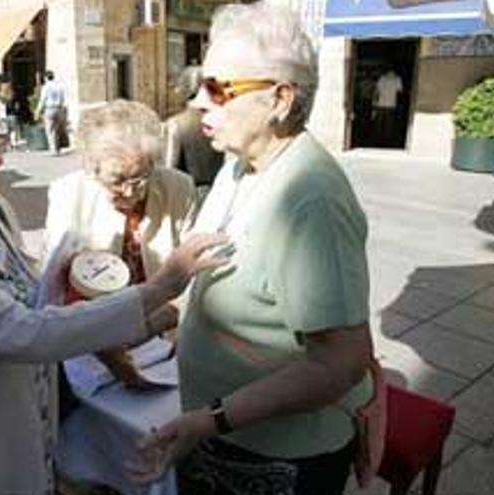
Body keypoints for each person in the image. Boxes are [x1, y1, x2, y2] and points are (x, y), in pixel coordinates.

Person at [0, 62, 227, 495]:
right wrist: (160, 288)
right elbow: (19, 331)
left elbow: (36, 302)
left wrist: (143, 324)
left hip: (22, 431)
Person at [130, 3, 374, 494]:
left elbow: (342, 360)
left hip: (274, 451)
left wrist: (209, 421)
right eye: (200, 82)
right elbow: (208, 280)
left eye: (218, 88)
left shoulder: (312, 200)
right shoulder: (241, 164)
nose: (199, 101)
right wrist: (137, 325)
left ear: (280, 99)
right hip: (222, 431)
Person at [45, 99, 197, 389]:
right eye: (117, 180)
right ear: (91, 169)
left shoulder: (178, 188)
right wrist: (107, 350)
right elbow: (58, 290)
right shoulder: (68, 194)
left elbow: (192, 277)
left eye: (141, 179)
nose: (130, 192)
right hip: (92, 347)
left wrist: (178, 331)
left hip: (164, 337)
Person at [165, 66, 225, 200]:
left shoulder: (176, 124)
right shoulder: (221, 119)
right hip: (219, 191)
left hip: (189, 195)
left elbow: (170, 170)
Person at [36, 70, 68, 155]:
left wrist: (38, 111)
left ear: (46, 78)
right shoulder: (59, 86)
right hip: (59, 108)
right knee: (57, 129)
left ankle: (53, 149)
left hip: (49, 109)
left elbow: (43, 100)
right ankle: (58, 148)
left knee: (50, 129)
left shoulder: (46, 87)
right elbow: (62, 98)